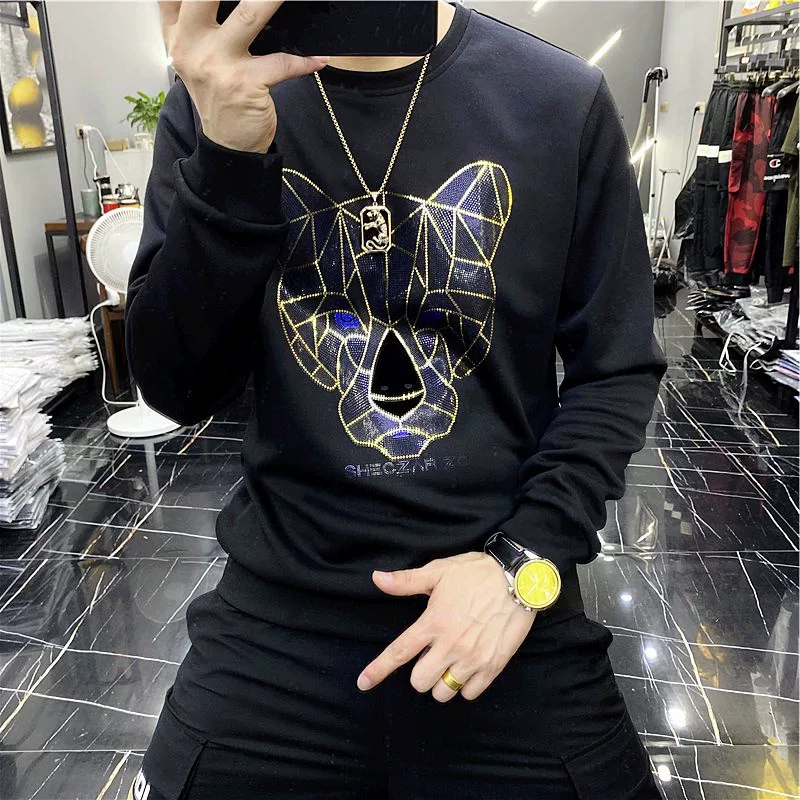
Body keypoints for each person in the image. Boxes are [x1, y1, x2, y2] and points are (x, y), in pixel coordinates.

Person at [126, 1, 667, 798]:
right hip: (282, 606)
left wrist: (523, 563)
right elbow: (177, 388)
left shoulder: (557, 99)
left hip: (503, 586)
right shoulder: (218, 96)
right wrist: (230, 161)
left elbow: (615, 367)